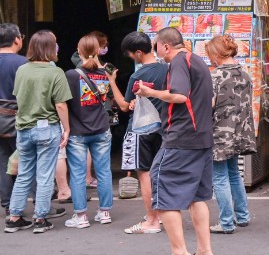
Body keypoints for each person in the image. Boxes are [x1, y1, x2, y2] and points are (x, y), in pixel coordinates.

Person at [137, 27, 217, 255]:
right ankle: (205, 253)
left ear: (166, 46)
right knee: (197, 195)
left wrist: (151, 93)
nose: (156, 51)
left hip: (181, 139)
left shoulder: (179, 62)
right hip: (202, 137)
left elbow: (180, 96)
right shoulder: (199, 62)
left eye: (156, 47)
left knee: (163, 190)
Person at [4, 31, 72, 234]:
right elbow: (60, 104)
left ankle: (14, 217)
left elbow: (18, 96)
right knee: (44, 175)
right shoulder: (55, 72)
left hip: (23, 128)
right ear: (51, 48)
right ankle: (40, 218)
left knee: (24, 174)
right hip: (47, 128)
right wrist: (66, 128)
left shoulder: (22, 70)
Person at [107, 31, 167, 234]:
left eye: (131, 54)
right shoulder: (167, 69)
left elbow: (124, 106)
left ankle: (152, 220)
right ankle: (162, 214)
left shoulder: (137, 75)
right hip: (164, 128)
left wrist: (112, 82)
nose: (131, 58)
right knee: (161, 172)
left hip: (141, 130)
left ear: (139, 53)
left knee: (145, 173)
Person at [62, 34, 114, 229]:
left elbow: (64, 102)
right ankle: (105, 212)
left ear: (79, 50)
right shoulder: (105, 72)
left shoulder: (71, 75)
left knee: (77, 173)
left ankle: (81, 216)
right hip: (102, 128)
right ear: (99, 50)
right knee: (104, 171)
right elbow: (108, 98)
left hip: (78, 130)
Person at [205, 35, 254, 235]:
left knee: (219, 177)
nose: (209, 59)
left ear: (216, 54)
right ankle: (242, 216)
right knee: (234, 173)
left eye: (209, 55)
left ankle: (226, 222)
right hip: (240, 131)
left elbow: (210, 105)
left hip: (220, 131)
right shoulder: (245, 73)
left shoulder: (215, 76)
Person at [0, 23, 27, 215]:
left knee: (2, 161)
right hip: (17, 120)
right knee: (22, 161)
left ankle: (8, 203)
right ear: (17, 39)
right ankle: (18, 205)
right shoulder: (23, 63)